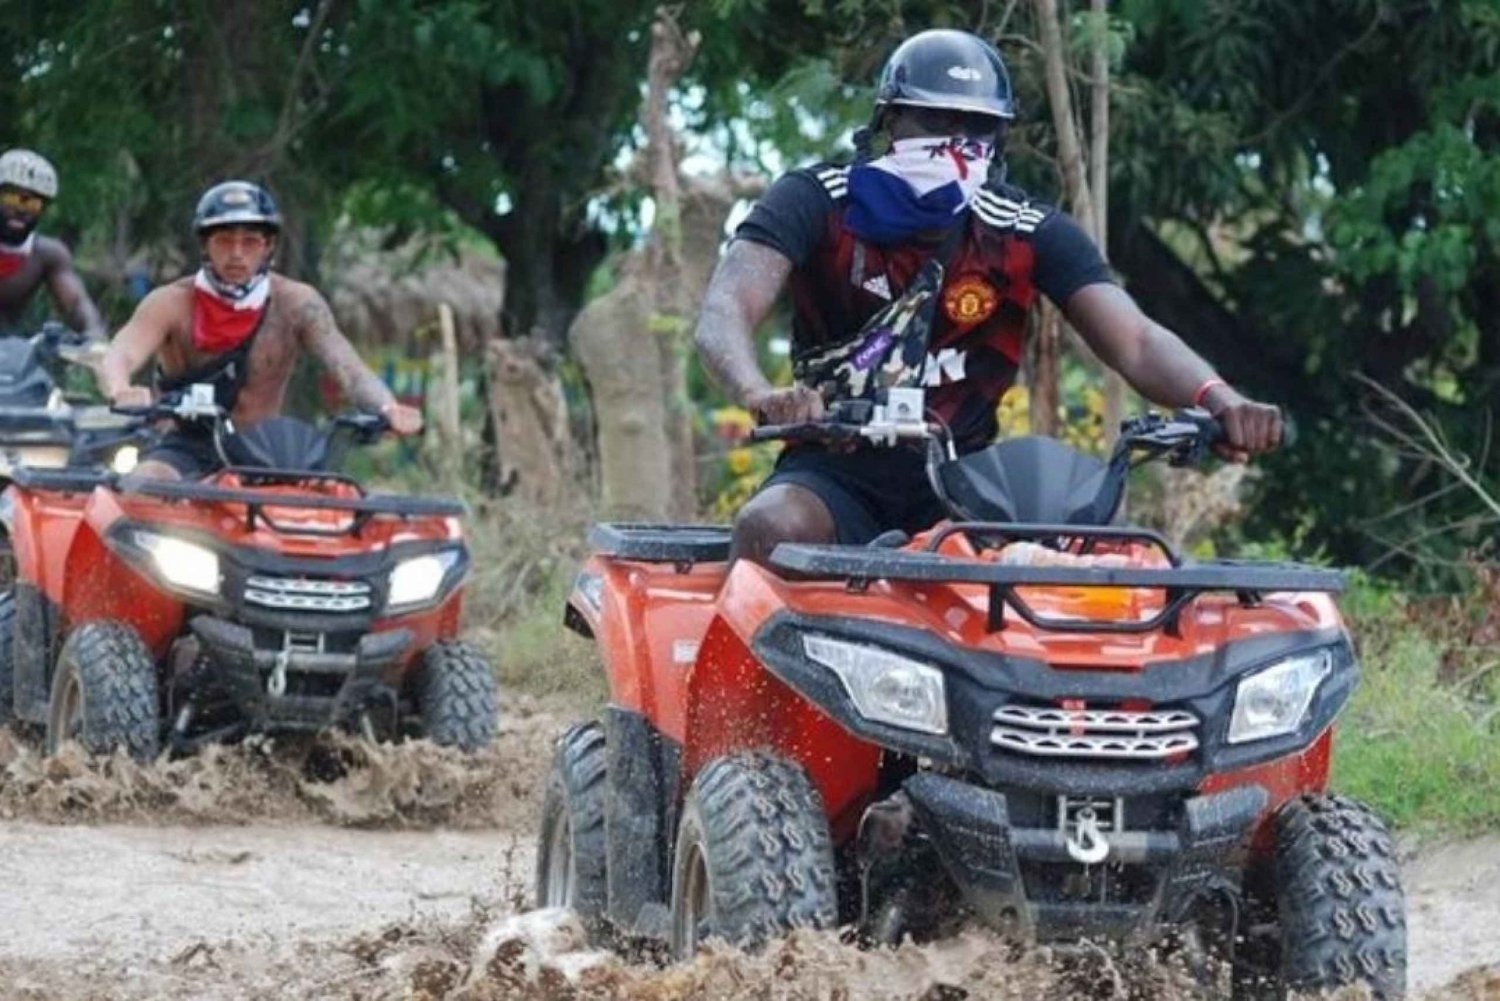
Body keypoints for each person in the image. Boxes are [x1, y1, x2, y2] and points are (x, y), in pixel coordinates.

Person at [695, 29, 1284, 564]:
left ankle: (1072, 684)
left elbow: (1134, 339)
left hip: (964, 477)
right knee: (770, 526)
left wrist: (1219, 399)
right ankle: (745, 684)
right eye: (934, 121)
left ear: (999, 140)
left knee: (1094, 536)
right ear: (889, 123)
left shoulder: (1021, 229)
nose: (956, 143)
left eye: (977, 128)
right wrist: (760, 393)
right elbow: (726, 308)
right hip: (832, 468)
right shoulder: (817, 200)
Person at [101, 180, 422, 479]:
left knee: (331, 512)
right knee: (146, 485)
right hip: (184, 447)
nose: (237, 253)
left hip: (267, 452)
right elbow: (121, 352)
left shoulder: (297, 304)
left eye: (250, 242)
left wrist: (387, 407)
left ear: (268, 246)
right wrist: (120, 388)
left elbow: (348, 367)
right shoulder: (170, 303)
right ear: (205, 245)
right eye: (225, 240)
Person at [0, 148, 106, 341]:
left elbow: (76, 303)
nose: (21, 210)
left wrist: (94, 336)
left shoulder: (46, 255)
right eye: (12, 199)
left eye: (33, 204)